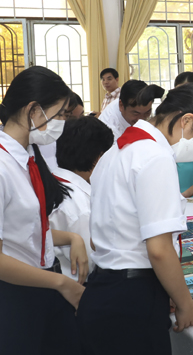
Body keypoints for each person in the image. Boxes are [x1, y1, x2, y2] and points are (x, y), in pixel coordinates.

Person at [79, 83, 193, 354]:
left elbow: (97, 239)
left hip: (106, 291)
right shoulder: (154, 157)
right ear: (187, 121)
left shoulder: (117, 151)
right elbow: (158, 250)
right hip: (131, 301)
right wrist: (185, 304)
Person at [0, 66, 89, 354]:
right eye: (60, 113)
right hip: (17, 294)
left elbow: (25, 229)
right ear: (34, 111)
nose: (62, 122)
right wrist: (62, 283)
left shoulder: (26, 157)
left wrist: (72, 238)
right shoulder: (3, 165)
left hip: (44, 285)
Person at [49, 117, 114, 282]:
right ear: (99, 157)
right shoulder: (82, 206)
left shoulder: (51, 179)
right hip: (77, 288)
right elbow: (94, 262)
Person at [99, 79, 163, 141]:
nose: (141, 119)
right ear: (121, 106)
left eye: (147, 112)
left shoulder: (128, 105)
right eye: (136, 113)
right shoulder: (109, 127)